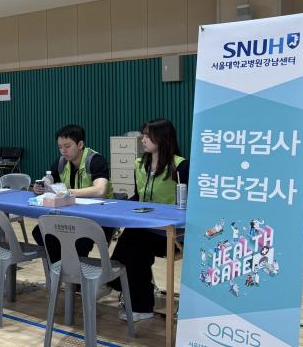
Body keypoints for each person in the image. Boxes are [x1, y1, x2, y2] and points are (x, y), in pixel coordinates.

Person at [108, 119, 189, 322]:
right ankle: (135, 299)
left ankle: (118, 286)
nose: (142, 139)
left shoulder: (181, 166)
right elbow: (139, 196)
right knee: (134, 240)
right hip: (145, 228)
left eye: (147, 135)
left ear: (162, 138)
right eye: (143, 135)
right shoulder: (139, 164)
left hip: (172, 233)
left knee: (134, 241)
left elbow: (189, 203)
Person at [31, 124, 115, 262]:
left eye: (67, 146)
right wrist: (42, 185)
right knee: (40, 231)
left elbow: (100, 190)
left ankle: (74, 270)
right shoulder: (61, 162)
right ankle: (61, 267)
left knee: (77, 241)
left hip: (98, 216)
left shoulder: (95, 160)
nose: (63, 151)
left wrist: (68, 192)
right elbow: (49, 178)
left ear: (80, 144)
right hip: (73, 214)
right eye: (60, 147)